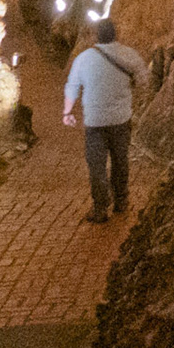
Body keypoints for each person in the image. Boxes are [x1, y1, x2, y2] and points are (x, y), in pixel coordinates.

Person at [62, 18, 149, 224]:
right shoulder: (129, 55)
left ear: (96, 35)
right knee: (120, 160)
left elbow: (72, 86)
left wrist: (67, 112)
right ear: (115, 34)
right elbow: (144, 81)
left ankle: (100, 208)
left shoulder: (84, 58)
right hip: (121, 119)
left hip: (95, 121)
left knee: (96, 165)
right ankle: (121, 201)